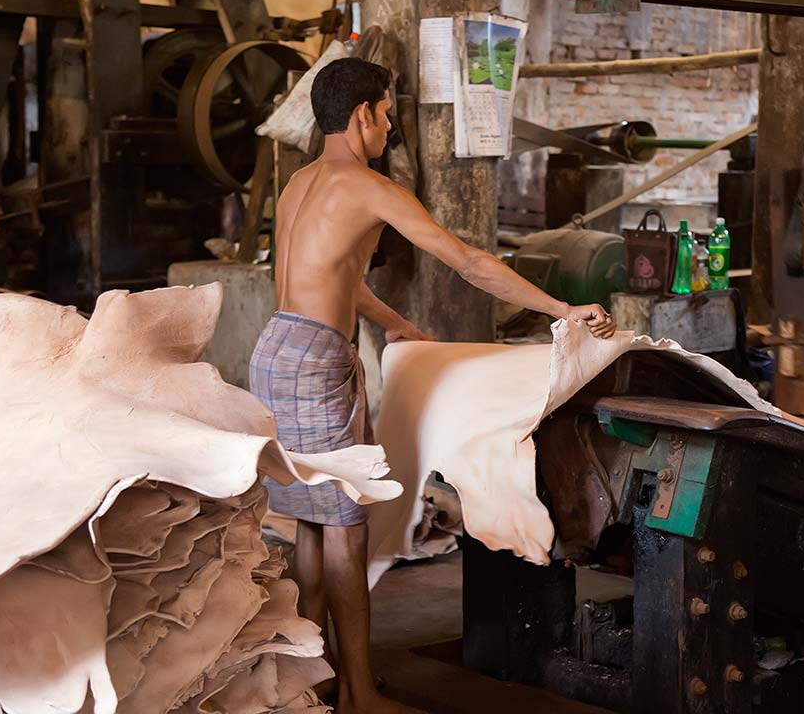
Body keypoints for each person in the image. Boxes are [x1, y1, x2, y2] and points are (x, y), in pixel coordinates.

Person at [249, 57, 616, 713]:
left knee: (311, 523)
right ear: (362, 114)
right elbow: (470, 262)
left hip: (275, 347)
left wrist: (398, 323)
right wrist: (564, 311)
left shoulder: (298, 183)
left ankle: (315, 682)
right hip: (314, 360)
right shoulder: (365, 186)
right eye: (388, 114)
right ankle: (360, 694)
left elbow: (333, 278)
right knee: (347, 529)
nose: (390, 128)